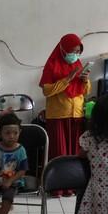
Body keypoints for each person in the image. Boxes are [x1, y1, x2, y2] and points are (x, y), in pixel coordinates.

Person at [39, 33, 91, 196]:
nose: (75, 55)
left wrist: (85, 80)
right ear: (63, 49)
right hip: (58, 115)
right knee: (60, 152)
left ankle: (73, 186)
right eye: (73, 51)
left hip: (76, 115)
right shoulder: (52, 64)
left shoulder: (77, 63)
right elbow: (47, 90)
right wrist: (67, 79)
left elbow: (85, 91)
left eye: (78, 51)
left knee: (75, 152)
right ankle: (58, 188)